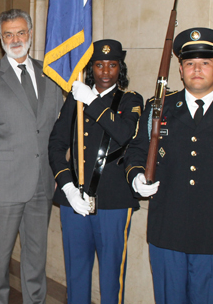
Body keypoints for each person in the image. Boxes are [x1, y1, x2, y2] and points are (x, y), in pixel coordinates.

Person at [124, 27, 213, 304]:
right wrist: (136, 177)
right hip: (168, 230)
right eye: (190, 63)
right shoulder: (159, 108)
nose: (197, 69)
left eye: (205, 63)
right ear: (180, 70)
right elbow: (137, 151)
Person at [0, 8, 63, 304]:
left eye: (21, 32)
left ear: (30, 34)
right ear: (0, 38)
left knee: (35, 259)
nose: (15, 39)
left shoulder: (51, 75)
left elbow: (57, 130)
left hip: (41, 184)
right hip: (1, 187)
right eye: (8, 34)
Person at [48, 40, 143, 304]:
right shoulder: (75, 99)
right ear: (91, 68)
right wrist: (66, 185)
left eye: (112, 65)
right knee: (76, 273)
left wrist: (92, 101)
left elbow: (124, 134)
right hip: (75, 200)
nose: (105, 71)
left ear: (119, 68)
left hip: (113, 200)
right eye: (99, 65)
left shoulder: (130, 100)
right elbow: (56, 144)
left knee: (112, 276)